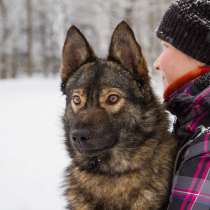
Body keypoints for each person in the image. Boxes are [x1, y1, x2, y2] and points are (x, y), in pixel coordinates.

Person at [154, 0, 210, 209]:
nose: (157, 63)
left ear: (200, 57)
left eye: (166, 47)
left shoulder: (206, 148)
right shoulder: (195, 123)